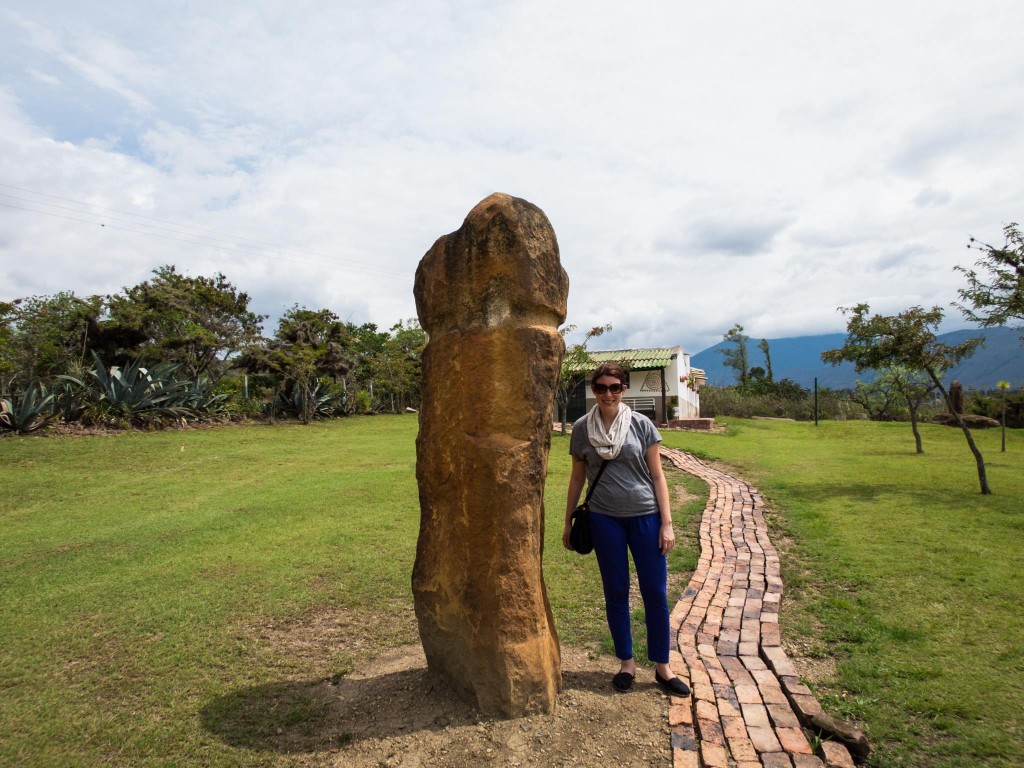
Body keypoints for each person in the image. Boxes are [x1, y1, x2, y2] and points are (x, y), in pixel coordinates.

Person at [563, 362, 690, 696]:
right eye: (602, 387)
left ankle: (663, 666)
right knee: (616, 591)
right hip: (605, 520)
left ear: (624, 389)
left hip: (646, 518)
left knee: (655, 592)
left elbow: (658, 475)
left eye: (615, 387)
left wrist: (667, 523)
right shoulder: (581, 429)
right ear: (594, 390)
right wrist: (567, 522)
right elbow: (577, 477)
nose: (608, 394)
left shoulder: (641, 424)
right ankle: (627, 663)